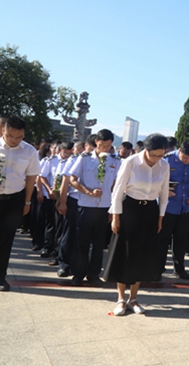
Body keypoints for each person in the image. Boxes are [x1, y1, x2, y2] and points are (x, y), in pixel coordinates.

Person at [104, 133, 170, 315]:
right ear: (145, 150)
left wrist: (161, 217)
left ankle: (134, 298)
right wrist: (116, 216)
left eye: (161, 155)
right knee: (124, 253)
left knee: (142, 254)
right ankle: (121, 299)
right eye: (154, 155)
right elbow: (118, 191)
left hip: (150, 211)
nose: (157, 159)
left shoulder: (164, 165)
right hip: (129, 209)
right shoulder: (131, 162)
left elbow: (164, 193)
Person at [68, 129, 121, 286]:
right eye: (102, 145)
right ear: (96, 142)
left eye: (108, 146)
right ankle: (78, 274)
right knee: (82, 242)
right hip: (86, 205)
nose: (105, 148)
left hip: (104, 207)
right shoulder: (85, 158)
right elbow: (73, 179)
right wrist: (88, 192)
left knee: (99, 244)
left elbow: (116, 186)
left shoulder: (115, 161)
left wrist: (113, 209)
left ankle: (94, 274)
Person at [0, 117, 41, 291]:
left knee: (6, 239)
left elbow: (31, 179)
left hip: (15, 199)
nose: (14, 140)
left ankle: (1, 277)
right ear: (3, 130)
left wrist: (27, 201)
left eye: (19, 137)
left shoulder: (29, 151)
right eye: (10, 136)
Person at [156, 141, 189, 280]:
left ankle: (179, 269)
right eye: (185, 158)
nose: (188, 161)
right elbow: (155, 180)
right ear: (179, 151)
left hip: (186, 207)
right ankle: (158, 269)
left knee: (181, 239)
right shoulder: (166, 160)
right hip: (168, 206)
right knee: (162, 239)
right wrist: (164, 192)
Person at [56, 142, 81, 277]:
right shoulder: (73, 160)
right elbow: (65, 182)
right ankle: (64, 264)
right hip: (73, 199)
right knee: (69, 233)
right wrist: (62, 202)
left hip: (90, 203)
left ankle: (78, 266)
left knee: (81, 236)